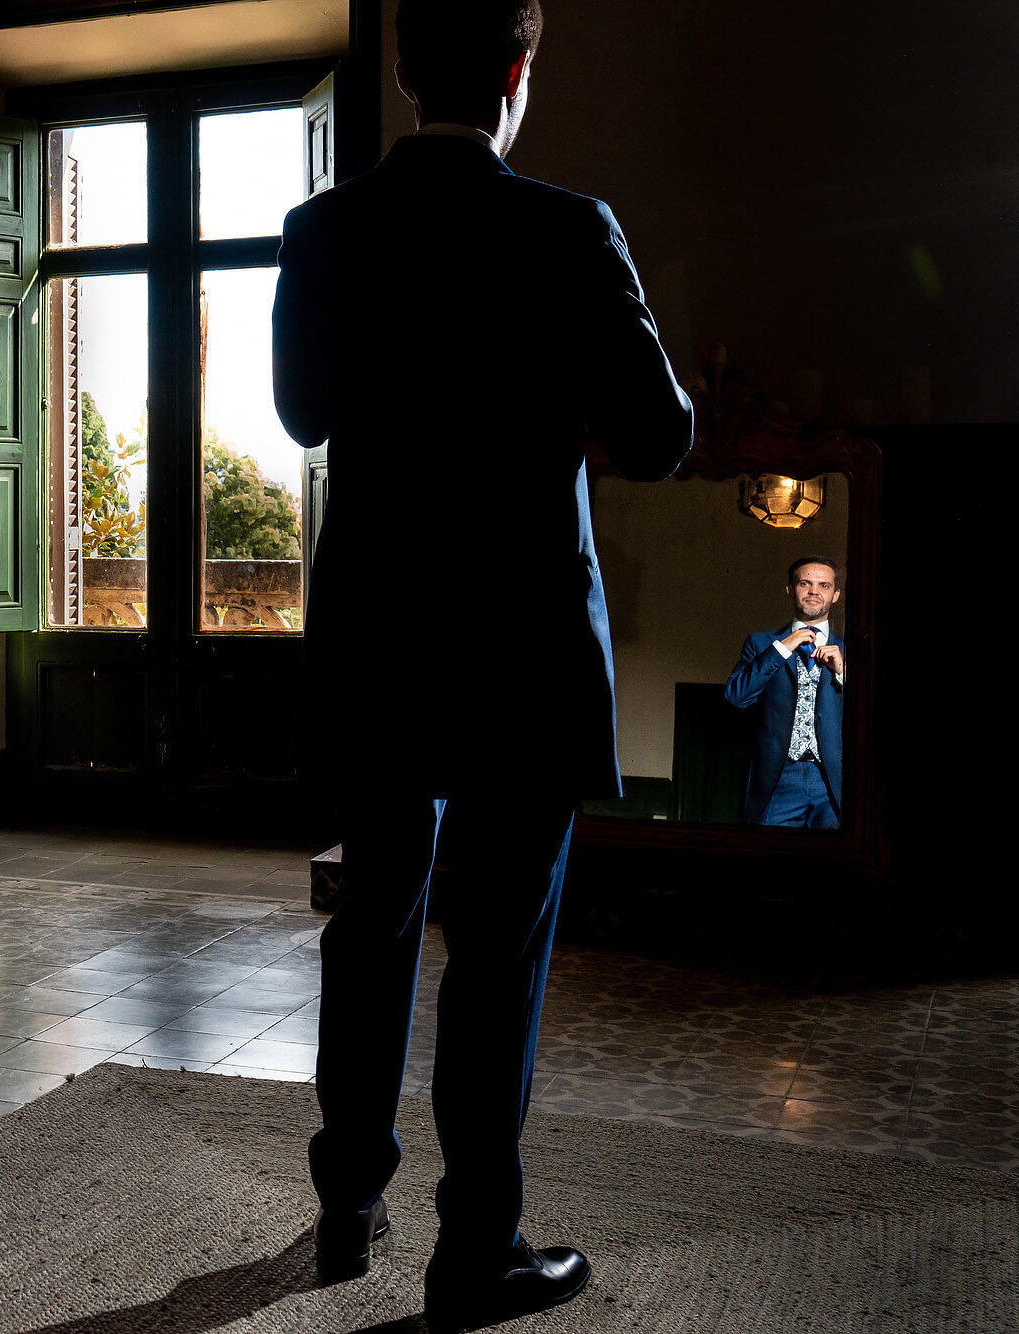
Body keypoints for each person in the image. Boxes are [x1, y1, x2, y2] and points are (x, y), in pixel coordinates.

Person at [271, 1, 694, 1326]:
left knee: (376, 911)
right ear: (517, 73)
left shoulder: (324, 231)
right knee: (499, 945)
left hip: (378, 631)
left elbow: (301, 411)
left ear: (399, 73)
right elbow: (662, 434)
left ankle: (348, 1198)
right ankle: (477, 1250)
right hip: (520, 641)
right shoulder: (570, 228)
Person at [724, 556, 846, 828]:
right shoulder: (760, 643)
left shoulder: (852, 651)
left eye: (824, 585)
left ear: (835, 595)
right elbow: (736, 697)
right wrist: (782, 648)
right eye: (805, 583)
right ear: (790, 589)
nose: (814, 591)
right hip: (778, 780)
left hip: (833, 782)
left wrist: (842, 673)